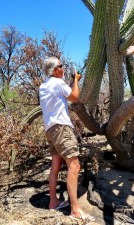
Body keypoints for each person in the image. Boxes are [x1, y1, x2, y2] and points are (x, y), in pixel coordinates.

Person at [39, 57, 95, 222]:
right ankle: (75, 210)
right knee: (74, 166)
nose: (63, 68)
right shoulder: (57, 83)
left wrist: (70, 82)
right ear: (55, 70)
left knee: (55, 166)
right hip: (62, 129)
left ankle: (53, 201)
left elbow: (63, 95)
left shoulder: (44, 86)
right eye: (61, 66)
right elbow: (75, 96)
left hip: (50, 130)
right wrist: (76, 80)